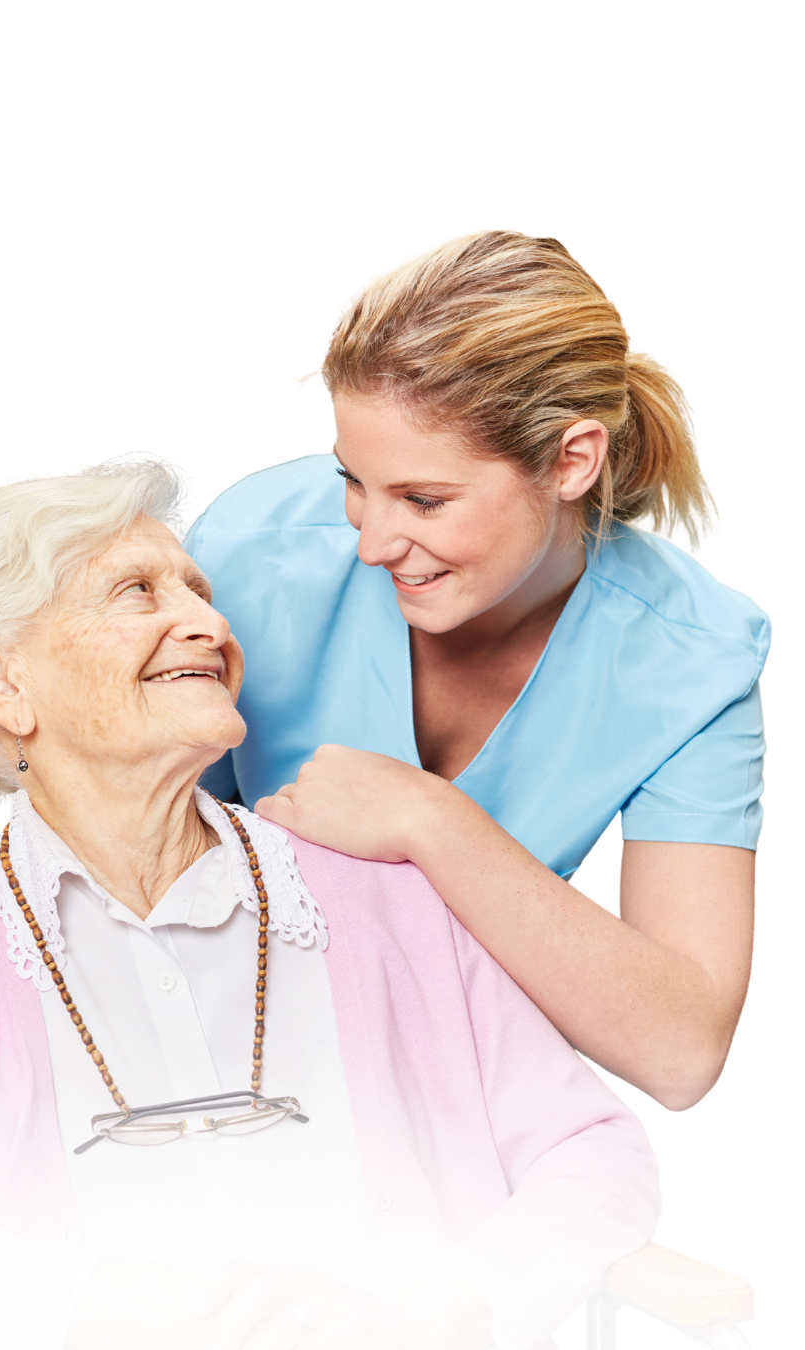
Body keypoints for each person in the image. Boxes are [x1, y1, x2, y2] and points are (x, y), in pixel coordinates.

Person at [0, 458, 659, 1350]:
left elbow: (592, 1155)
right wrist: (91, 1304)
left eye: (199, 590)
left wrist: (450, 1309)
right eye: (138, 593)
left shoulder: (381, 892)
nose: (208, 623)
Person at [184, 227, 769, 1113]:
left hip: (456, 1092)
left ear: (572, 460)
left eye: (425, 500)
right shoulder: (247, 551)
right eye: (351, 479)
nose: (373, 543)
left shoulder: (699, 659)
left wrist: (430, 820)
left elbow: (681, 1048)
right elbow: (126, 846)